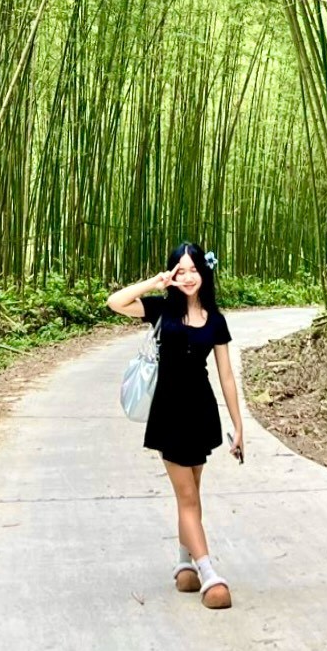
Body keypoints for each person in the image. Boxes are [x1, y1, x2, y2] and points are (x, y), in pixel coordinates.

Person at [106, 243, 246, 610]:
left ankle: (185, 563)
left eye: (193, 269)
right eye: (179, 270)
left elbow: (227, 376)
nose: (187, 276)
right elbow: (115, 302)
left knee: (192, 493)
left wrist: (239, 426)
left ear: (205, 272)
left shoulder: (215, 319)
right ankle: (208, 572)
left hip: (200, 409)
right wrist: (154, 283)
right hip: (168, 412)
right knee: (187, 497)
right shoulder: (161, 310)